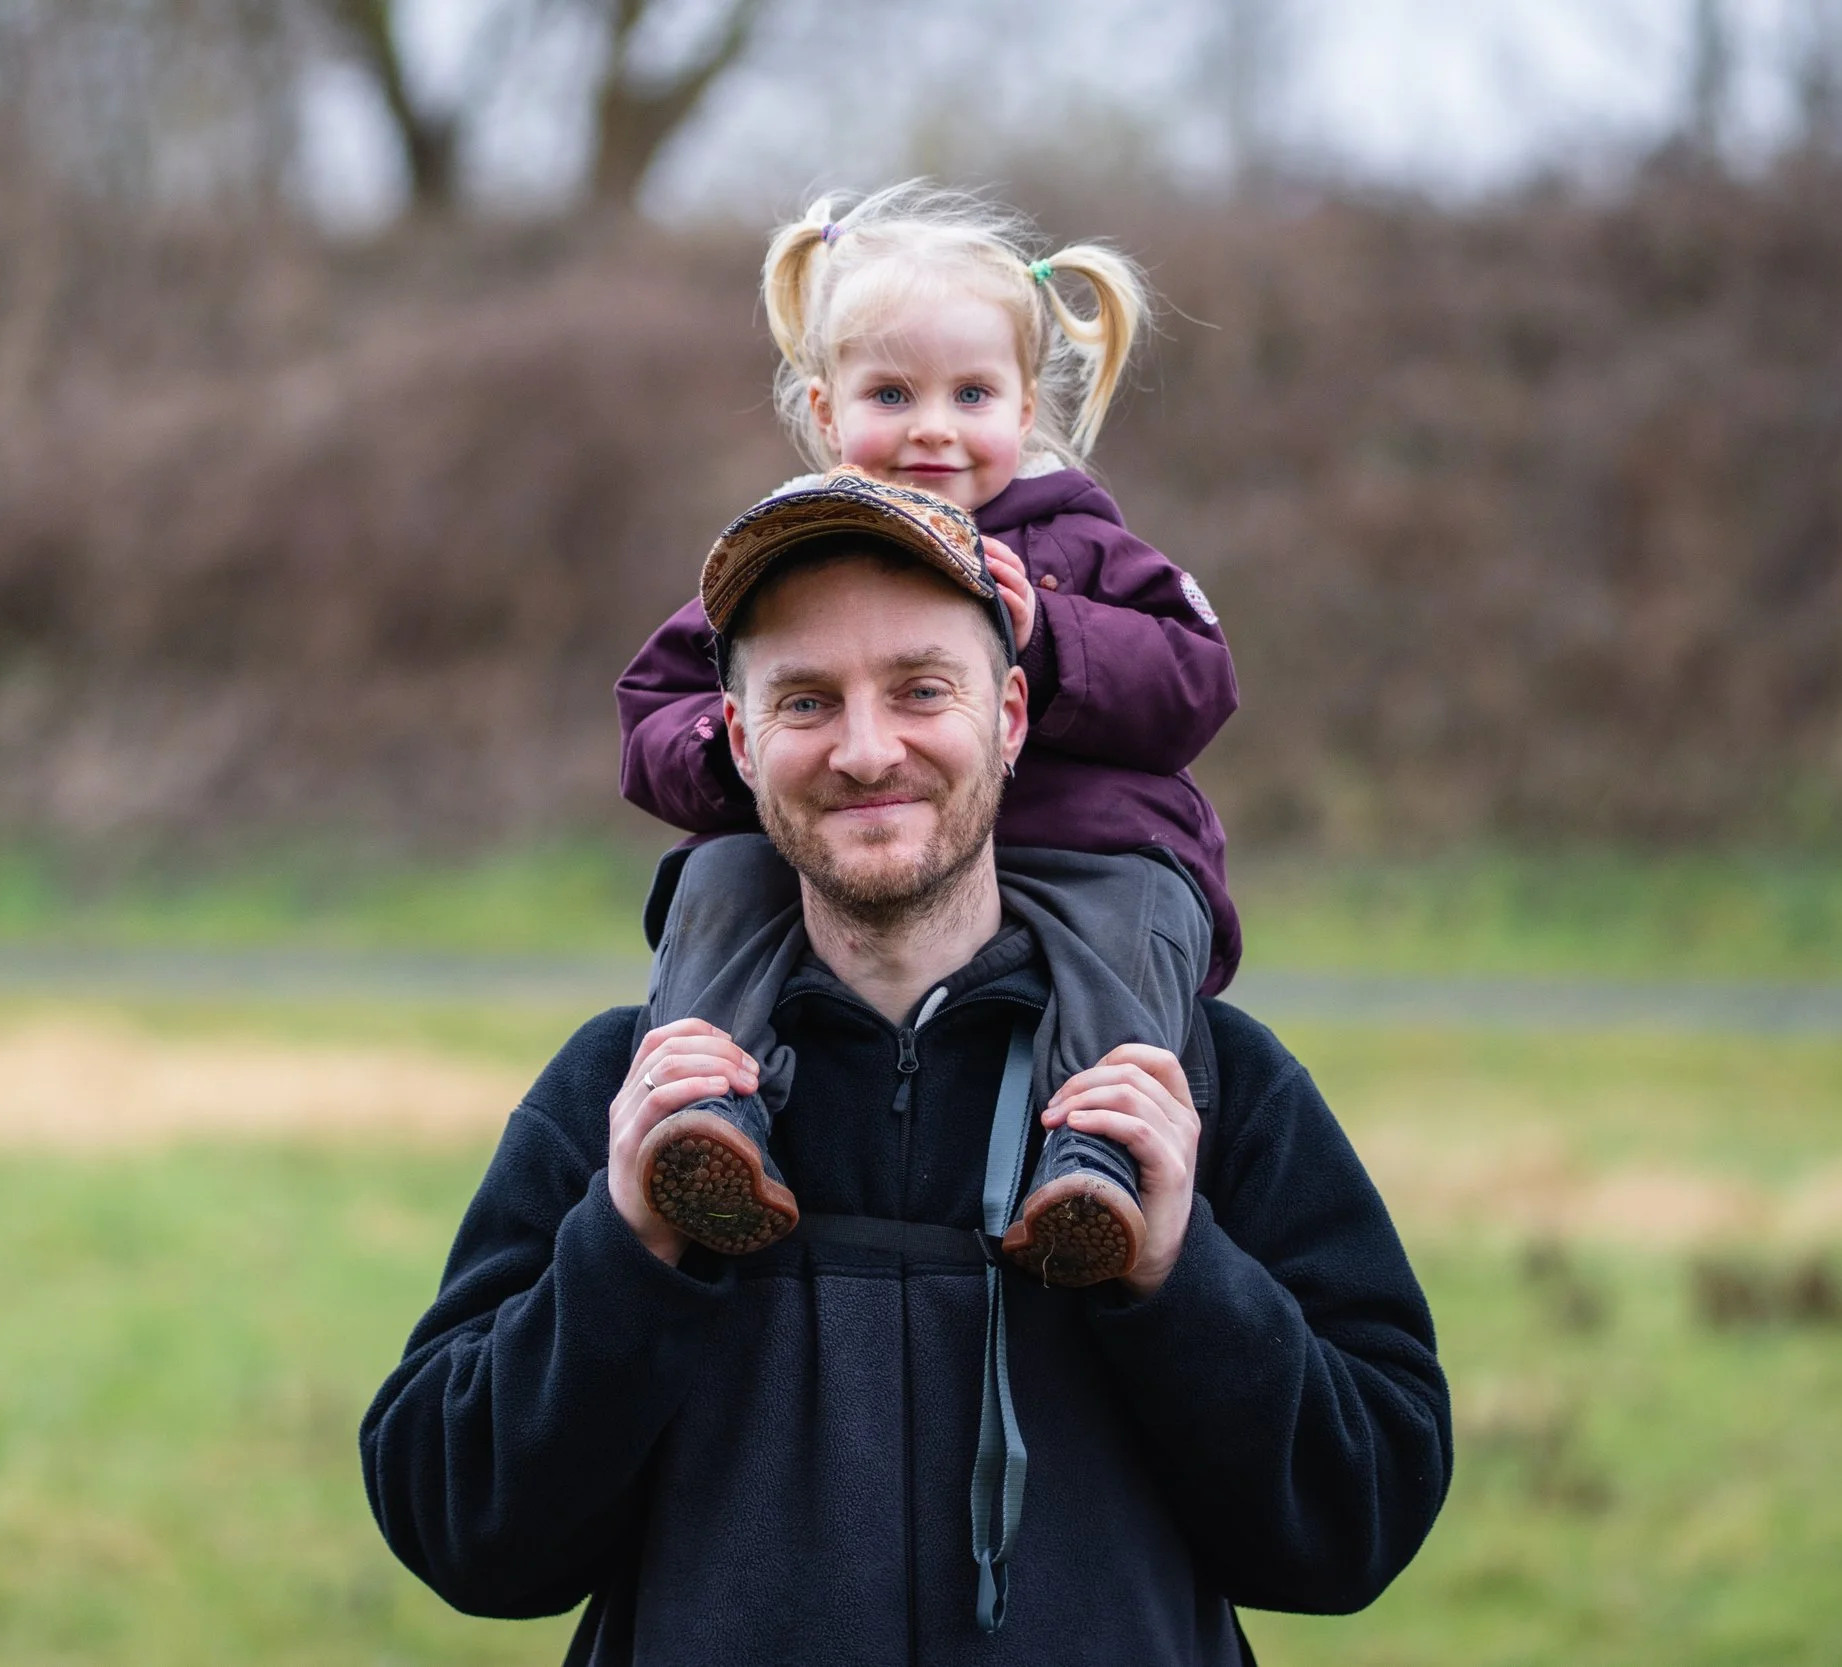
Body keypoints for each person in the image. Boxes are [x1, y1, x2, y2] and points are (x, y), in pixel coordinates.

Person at [362, 495, 1451, 1664]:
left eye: (922, 688)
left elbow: (1360, 1520)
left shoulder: (1198, 1086)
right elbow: (462, 1530)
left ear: (1012, 714)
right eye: (806, 699)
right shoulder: (628, 1091)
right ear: (736, 738)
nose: (867, 748)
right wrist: (626, 1250)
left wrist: (1181, 1279)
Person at [618, 184, 1239, 1284]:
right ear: (824, 409)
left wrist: (1052, 636)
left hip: (1092, 846)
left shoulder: (1079, 547)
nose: (933, 427)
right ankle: (706, 1117)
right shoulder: (789, 557)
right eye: (891, 392)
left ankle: (1094, 1159)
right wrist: (745, 755)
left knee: (1136, 920)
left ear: (1024, 408)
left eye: (971, 392)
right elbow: (653, 709)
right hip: (847, 859)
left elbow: (1197, 678)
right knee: (716, 878)